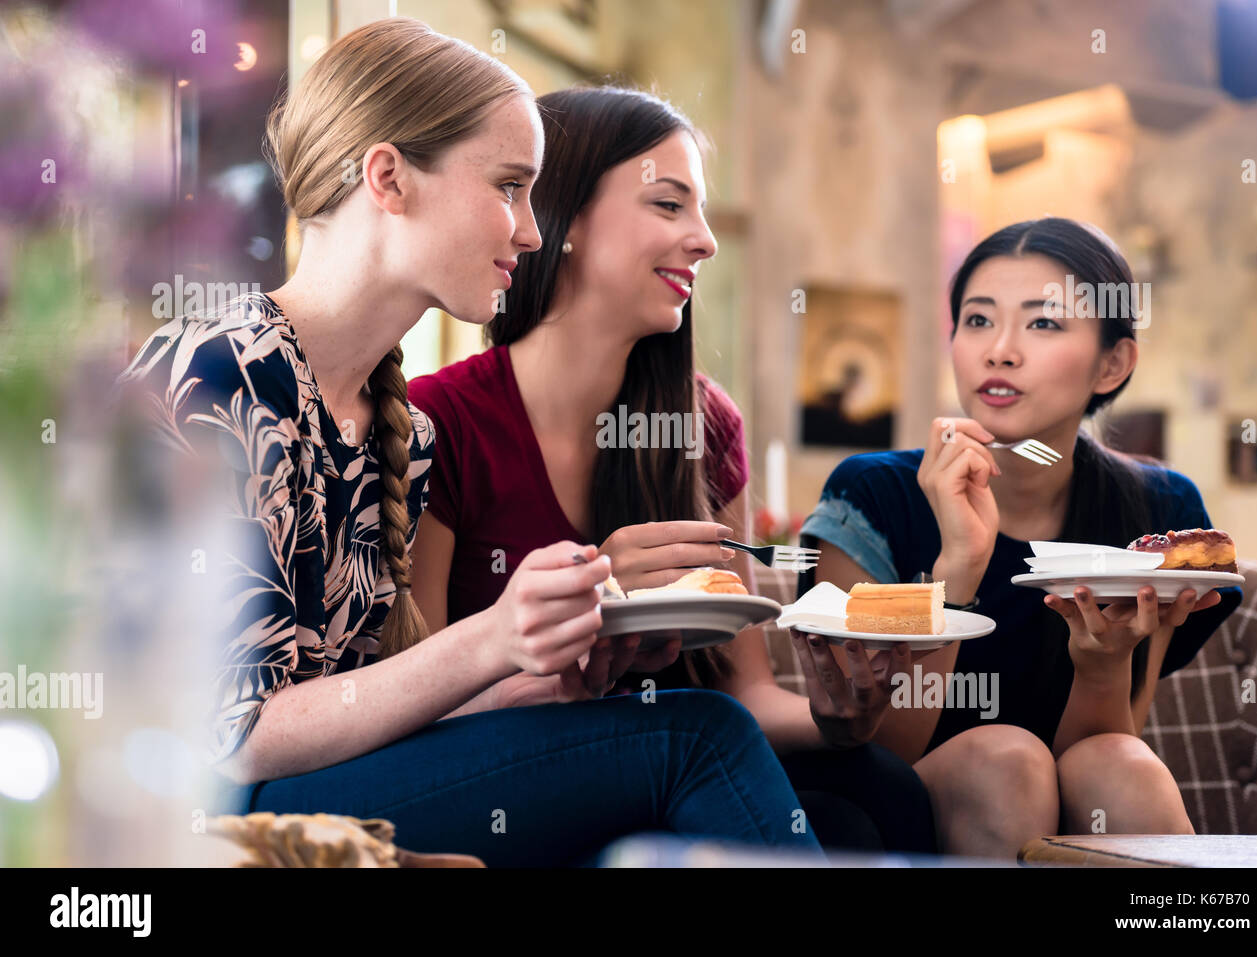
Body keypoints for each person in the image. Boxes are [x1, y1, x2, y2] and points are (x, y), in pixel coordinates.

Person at [114, 19, 822, 867]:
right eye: (510, 187)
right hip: (210, 812)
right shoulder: (224, 369)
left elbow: (365, 702)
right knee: (698, 736)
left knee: (689, 730)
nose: (531, 231)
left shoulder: (403, 430)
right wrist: (490, 640)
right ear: (389, 179)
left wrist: (556, 670)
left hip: (317, 780)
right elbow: (234, 734)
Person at [408, 86, 937, 855]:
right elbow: (417, 703)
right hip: (509, 778)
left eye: (702, 211)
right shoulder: (439, 422)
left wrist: (836, 713)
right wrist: (587, 601)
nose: (705, 240)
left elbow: (746, 692)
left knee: (878, 786)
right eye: (668, 205)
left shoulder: (705, 424)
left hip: (685, 766)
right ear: (566, 219)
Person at [796, 217, 1243, 857]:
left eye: (1043, 323)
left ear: (1112, 363)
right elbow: (870, 747)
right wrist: (959, 567)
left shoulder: (1157, 509)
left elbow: (1097, 749)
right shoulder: (873, 496)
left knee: (1121, 763)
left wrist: (1104, 662)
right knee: (1006, 759)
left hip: (1060, 790)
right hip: (897, 802)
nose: (999, 349)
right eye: (978, 320)